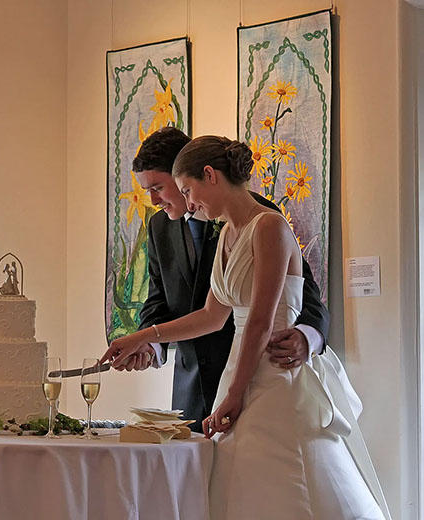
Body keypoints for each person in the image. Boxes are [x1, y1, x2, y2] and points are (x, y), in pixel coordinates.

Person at [102, 136, 388, 519]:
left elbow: (261, 319)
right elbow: (211, 316)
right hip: (228, 375)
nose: (187, 204)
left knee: (284, 482)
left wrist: (239, 392)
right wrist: (142, 336)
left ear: (209, 175)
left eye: (185, 190)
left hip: (271, 375)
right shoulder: (219, 234)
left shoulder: (268, 224)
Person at [117, 127, 329, 433]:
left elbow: (304, 294)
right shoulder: (163, 227)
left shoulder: (263, 219)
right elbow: (175, 304)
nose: (152, 200)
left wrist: (308, 336)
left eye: (160, 187)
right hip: (194, 393)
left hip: (264, 374)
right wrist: (145, 341)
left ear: (197, 174)